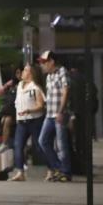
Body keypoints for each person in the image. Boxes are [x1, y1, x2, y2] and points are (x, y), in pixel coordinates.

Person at [36, 50, 73, 182]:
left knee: (61, 145)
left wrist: (61, 111)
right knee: (42, 141)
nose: (42, 65)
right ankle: (59, 168)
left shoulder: (62, 71)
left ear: (52, 61)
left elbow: (66, 90)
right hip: (49, 114)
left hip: (59, 114)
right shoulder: (48, 77)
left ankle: (66, 172)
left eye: (44, 62)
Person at [10, 63, 46, 181]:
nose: (23, 72)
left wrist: (28, 110)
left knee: (39, 146)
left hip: (35, 121)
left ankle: (51, 168)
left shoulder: (35, 87)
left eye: (25, 70)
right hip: (22, 122)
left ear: (31, 74)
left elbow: (41, 106)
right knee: (18, 146)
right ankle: (20, 172)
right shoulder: (20, 85)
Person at [0, 64, 20, 154]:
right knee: (3, 119)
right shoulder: (12, 84)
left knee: (6, 120)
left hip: (18, 111)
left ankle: (4, 143)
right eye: (17, 73)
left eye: (20, 72)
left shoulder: (25, 84)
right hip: (9, 110)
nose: (19, 75)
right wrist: (7, 85)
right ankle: (1, 142)